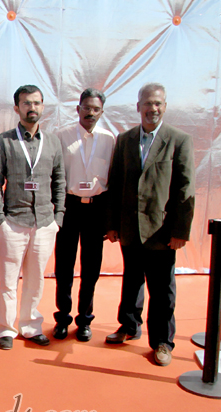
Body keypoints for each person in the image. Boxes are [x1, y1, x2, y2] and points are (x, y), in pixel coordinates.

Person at [105, 83, 195, 366]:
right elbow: (115, 183)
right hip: (130, 229)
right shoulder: (125, 139)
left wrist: (180, 231)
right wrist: (112, 224)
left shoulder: (179, 140)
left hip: (162, 232)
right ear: (138, 106)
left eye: (158, 103)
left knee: (162, 290)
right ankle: (129, 326)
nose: (152, 109)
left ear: (164, 107)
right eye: (147, 103)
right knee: (131, 282)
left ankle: (162, 342)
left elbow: (185, 189)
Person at [0, 85, 65, 350]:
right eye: (26, 103)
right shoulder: (4, 141)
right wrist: (0, 218)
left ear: (43, 107)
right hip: (14, 221)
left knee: (36, 280)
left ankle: (31, 326)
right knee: (8, 281)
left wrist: (59, 217)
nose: (31, 108)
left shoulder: (53, 141)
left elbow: (59, 181)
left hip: (44, 222)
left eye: (36, 103)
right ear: (16, 108)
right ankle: (5, 330)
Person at [52, 88, 115, 342]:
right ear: (77, 109)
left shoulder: (110, 139)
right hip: (69, 206)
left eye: (96, 109)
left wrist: (110, 220)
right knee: (64, 266)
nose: (91, 112)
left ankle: (85, 320)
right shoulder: (62, 136)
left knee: (91, 268)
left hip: (96, 208)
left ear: (102, 111)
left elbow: (114, 179)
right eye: (86, 107)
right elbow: (55, 177)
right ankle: (63, 318)